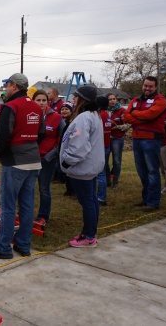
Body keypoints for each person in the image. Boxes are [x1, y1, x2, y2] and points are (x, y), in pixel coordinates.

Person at [0, 73, 42, 260]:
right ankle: (23, 244)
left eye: (7, 85)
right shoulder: (36, 107)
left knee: (8, 207)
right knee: (27, 204)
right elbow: (40, 132)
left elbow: (4, 135)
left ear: (14, 86)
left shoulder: (10, 106)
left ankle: (3, 248)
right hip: (33, 159)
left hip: (15, 161)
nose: (6, 88)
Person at [60, 85, 104, 248]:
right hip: (89, 167)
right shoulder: (93, 115)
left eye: (76, 96)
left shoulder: (84, 118)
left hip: (82, 168)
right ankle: (89, 232)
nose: (73, 99)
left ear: (83, 99)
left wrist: (67, 161)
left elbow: (79, 146)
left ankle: (89, 236)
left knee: (87, 201)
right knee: (91, 200)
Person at [123, 76, 166, 210]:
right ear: (142, 85)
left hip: (151, 139)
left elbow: (151, 115)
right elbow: (126, 116)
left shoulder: (160, 100)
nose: (147, 88)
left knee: (152, 171)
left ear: (155, 87)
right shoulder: (136, 100)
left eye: (150, 86)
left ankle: (153, 202)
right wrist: (141, 117)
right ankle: (146, 199)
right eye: (145, 85)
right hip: (137, 139)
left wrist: (135, 114)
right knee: (141, 171)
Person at [32, 90, 64, 226]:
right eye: (38, 100)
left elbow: (63, 140)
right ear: (33, 101)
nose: (41, 103)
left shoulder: (57, 117)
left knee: (44, 188)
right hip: (30, 158)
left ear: (48, 101)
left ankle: (43, 216)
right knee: (27, 188)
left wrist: (50, 156)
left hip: (47, 159)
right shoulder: (30, 116)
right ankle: (24, 213)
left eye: (44, 100)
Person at [107, 93, 127, 188]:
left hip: (117, 138)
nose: (112, 101)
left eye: (114, 99)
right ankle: (107, 179)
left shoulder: (122, 110)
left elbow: (128, 124)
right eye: (110, 99)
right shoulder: (105, 110)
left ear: (117, 100)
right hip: (106, 138)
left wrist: (117, 127)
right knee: (104, 160)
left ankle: (115, 180)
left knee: (116, 160)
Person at [96, 96, 113, 206]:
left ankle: (101, 198)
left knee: (100, 173)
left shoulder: (100, 116)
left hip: (101, 147)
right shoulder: (106, 115)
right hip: (106, 146)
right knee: (103, 170)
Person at [58, 103, 74, 196]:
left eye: (66, 109)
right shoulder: (64, 121)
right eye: (62, 109)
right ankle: (69, 190)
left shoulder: (72, 122)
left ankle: (72, 190)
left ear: (71, 111)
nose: (64, 111)